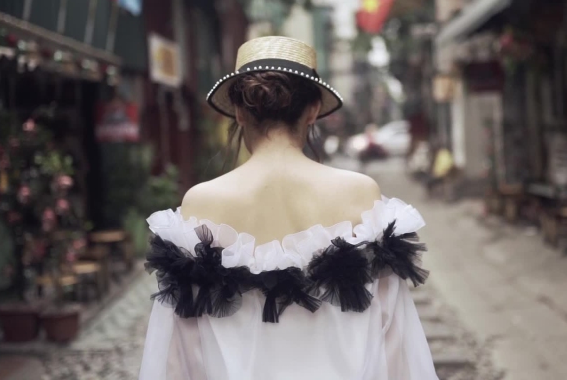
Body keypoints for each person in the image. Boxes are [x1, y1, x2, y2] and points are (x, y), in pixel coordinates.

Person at [139, 36, 438, 380]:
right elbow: (394, 345)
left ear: (238, 111)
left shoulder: (200, 203)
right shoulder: (361, 196)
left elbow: (180, 355)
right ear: (313, 111)